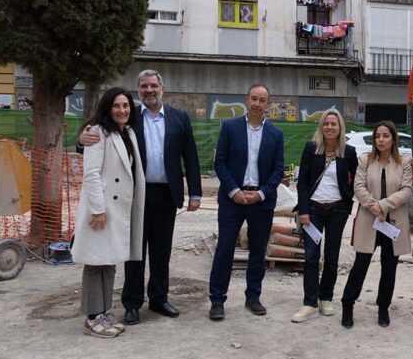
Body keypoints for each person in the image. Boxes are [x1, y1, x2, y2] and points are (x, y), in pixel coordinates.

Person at [79, 70, 201, 325]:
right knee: (134, 250)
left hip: (167, 194)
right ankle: (132, 303)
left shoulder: (180, 118)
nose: (149, 90)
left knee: (161, 250)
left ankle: (159, 298)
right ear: (139, 90)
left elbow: (190, 156)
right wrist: (80, 141)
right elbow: (101, 132)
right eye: (144, 86)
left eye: (153, 86)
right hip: (134, 195)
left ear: (162, 89)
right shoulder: (130, 116)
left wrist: (195, 193)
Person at [72, 88, 146, 338]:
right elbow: (91, 173)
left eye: (126, 106)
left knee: (110, 261)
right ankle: (92, 318)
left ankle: (104, 311)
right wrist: (97, 209)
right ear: (107, 108)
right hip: (102, 209)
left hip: (119, 209)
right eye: (117, 106)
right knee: (95, 263)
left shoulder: (128, 133)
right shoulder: (97, 133)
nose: (122, 110)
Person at [208, 84, 285, 320]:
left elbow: (278, 169)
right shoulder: (230, 128)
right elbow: (220, 162)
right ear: (246, 100)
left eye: (262, 100)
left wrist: (261, 193)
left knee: (257, 251)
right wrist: (233, 191)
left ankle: (253, 297)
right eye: (254, 98)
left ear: (267, 104)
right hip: (233, 199)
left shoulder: (275, 134)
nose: (257, 104)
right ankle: (217, 300)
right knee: (225, 249)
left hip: (261, 201)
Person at [339, 121, 413, 328]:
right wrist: (373, 207)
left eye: (385, 136)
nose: (381, 140)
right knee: (360, 265)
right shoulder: (365, 160)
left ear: (393, 139)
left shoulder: (404, 163)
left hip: (393, 223)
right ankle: (348, 304)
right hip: (369, 221)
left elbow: (406, 190)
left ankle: (383, 307)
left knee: (389, 268)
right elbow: (358, 186)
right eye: (378, 136)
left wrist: (383, 206)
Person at [292, 109, 358, 323]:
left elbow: (355, 181)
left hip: (338, 211)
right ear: (321, 126)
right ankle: (310, 303)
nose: (330, 127)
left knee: (332, 258)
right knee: (311, 258)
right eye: (326, 123)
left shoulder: (348, 152)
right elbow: (302, 182)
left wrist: (348, 206)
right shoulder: (311, 148)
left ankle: (326, 298)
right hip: (313, 211)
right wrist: (303, 210)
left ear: (340, 128)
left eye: (334, 124)